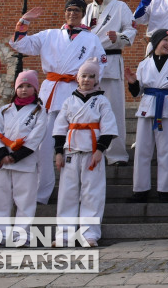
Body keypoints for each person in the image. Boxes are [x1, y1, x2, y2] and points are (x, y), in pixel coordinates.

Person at [10, 0, 105, 204]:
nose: (73, 14)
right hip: (51, 91)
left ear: (83, 14)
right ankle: (42, 193)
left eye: (77, 11)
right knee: (44, 145)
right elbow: (20, 45)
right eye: (69, 10)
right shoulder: (50, 35)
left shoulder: (91, 38)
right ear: (65, 13)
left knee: (74, 144)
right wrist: (24, 21)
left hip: (76, 90)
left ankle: (73, 193)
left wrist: (88, 83)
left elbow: (100, 66)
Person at [51, 60, 118, 246]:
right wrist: (58, 152)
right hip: (71, 151)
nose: (87, 80)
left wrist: (100, 150)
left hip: (92, 152)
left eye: (91, 76)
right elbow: (59, 129)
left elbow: (108, 128)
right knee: (67, 194)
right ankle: (64, 235)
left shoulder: (102, 101)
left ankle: (90, 234)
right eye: (84, 76)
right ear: (77, 78)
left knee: (92, 193)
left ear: (97, 80)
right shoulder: (69, 101)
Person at [125, 29, 168, 203]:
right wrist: (133, 83)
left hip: (167, 107)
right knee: (142, 151)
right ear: (155, 42)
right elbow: (138, 93)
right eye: (164, 40)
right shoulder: (144, 64)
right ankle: (140, 189)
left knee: (166, 151)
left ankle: (164, 190)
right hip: (147, 108)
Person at [0, 70, 48, 246]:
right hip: (4, 162)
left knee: (25, 199)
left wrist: (17, 156)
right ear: (15, 89)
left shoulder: (39, 111)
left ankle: (22, 235)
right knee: (0, 199)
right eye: (21, 86)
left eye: (29, 86)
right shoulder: (4, 110)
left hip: (25, 161)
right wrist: (2, 154)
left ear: (35, 90)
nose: (24, 89)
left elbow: (37, 135)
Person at [82, 0, 136, 166]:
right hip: (90, 63)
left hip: (111, 60)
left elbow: (132, 30)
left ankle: (116, 154)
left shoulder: (120, 7)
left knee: (113, 109)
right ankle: (91, 149)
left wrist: (119, 37)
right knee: (89, 109)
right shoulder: (88, 9)